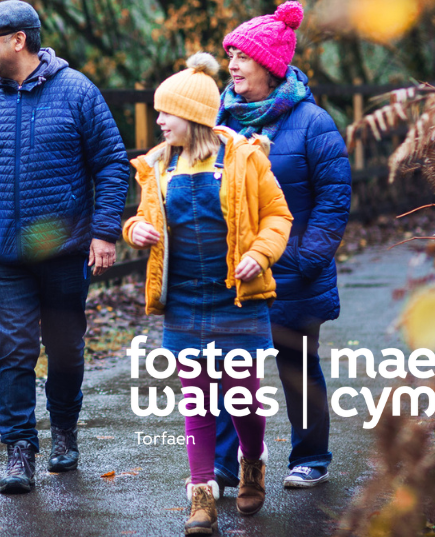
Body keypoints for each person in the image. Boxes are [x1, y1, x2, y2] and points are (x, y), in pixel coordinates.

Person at [0, 0, 130, 495]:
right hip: (3, 255)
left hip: (65, 252)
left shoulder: (77, 92)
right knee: (15, 349)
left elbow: (113, 163)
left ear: (19, 40)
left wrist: (104, 231)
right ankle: (19, 450)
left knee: (65, 349)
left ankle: (64, 431)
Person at [124, 52, 293, 534]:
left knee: (243, 401)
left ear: (193, 116)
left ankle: (252, 463)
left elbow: (278, 217)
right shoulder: (157, 167)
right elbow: (142, 217)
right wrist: (135, 229)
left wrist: (259, 255)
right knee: (196, 402)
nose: (157, 121)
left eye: (165, 112)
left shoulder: (244, 157)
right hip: (182, 301)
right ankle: (201, 498)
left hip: (236, 300)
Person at [210, 1, 352, 490]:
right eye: (229, 56)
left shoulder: (313, 123)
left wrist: (306, 256)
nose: (232, 65)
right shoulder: (220, 123)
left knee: (297, 366)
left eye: (242, 57)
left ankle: (310, 458)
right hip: (233, 274)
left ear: (270, 66)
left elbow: (334, 199)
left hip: (293, 272)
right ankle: (229, 461)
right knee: (230, 368)